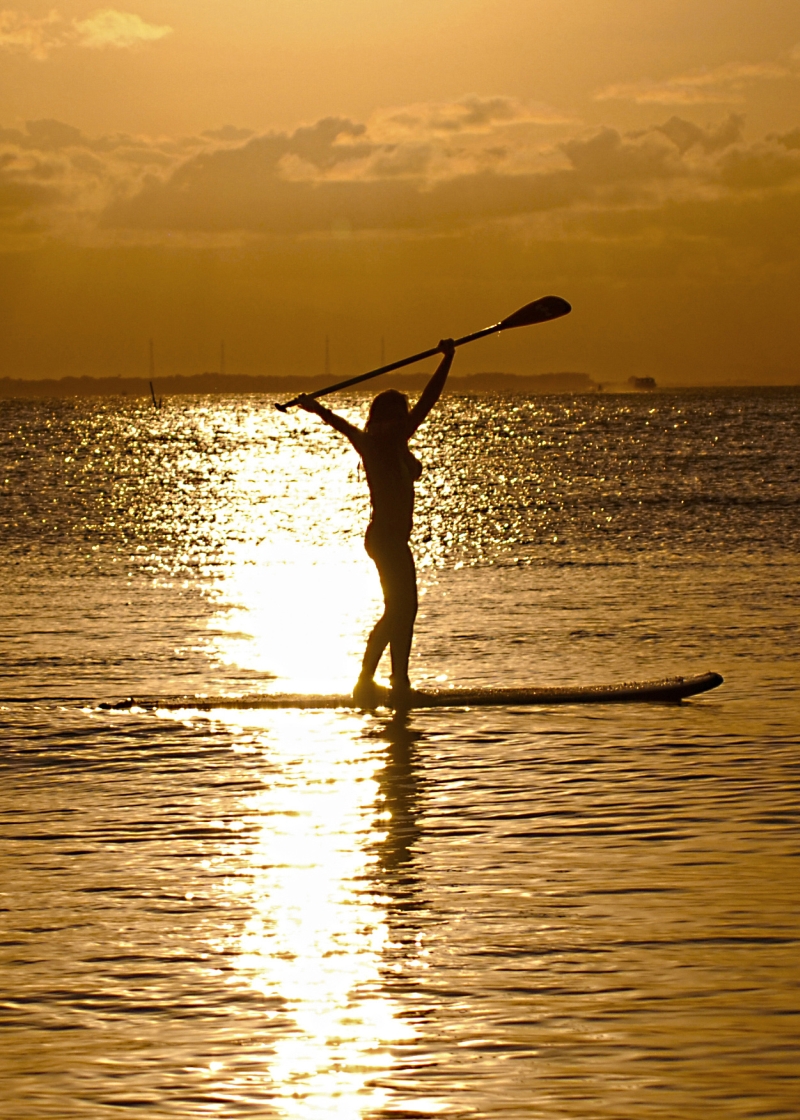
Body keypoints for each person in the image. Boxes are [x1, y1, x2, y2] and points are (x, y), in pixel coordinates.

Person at [297, 338, 456, 707]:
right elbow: (428, 400)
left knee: (403, 610)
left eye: (402, 417)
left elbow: (342, 422)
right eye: (397, 416)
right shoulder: (373, 443)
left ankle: (387, 683)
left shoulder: (397, 444)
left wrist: (316, 407)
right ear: (386, 419)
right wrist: (448, 360)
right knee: (401, 610)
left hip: (391, 540)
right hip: (384, 539)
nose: (402, 422)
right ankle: (378, 683)